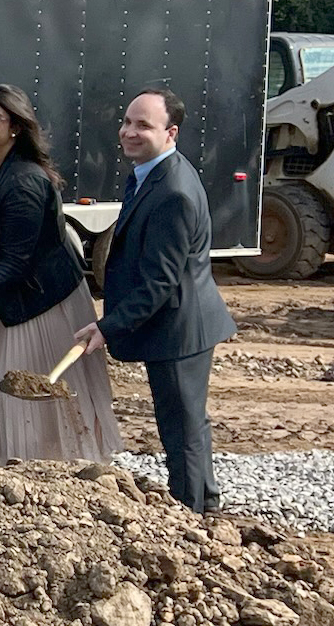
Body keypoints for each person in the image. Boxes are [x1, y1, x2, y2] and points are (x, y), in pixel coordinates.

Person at [76, 89, 235, 512]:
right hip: (178, 324)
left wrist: (106, 327)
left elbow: (160, 282)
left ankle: (193, 515)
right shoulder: (154, 172)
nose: (128, 132)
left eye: (142, 125)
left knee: (182, 428)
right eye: (127, 122)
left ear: (171, 132)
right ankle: (202, 507)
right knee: (186, 425)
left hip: (181, 328)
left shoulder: (173, 193)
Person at [0, 85, 120, 464]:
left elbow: (16, 262)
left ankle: (45, 476)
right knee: (13, 396)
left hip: (41, 305)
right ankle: (14, 469)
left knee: (31, 397)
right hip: (9, 301)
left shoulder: (23, 182)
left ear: (15, 129)